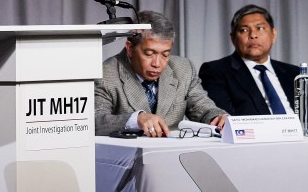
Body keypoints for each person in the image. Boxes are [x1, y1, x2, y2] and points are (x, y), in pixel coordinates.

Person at [95, 11, 227, 137]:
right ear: (130, 48)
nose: (157, 64)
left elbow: (203, 107)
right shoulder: (105, 74)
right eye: (149, 54)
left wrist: (217, 117)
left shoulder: (183, 69)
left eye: (165, 54)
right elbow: (95, 122)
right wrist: (136, 120)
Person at [198, 4, 299, 115]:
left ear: (273, 35)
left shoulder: (295, 73)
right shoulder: (215, 71)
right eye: (244, 30)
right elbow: (223, 118)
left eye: (260, 28)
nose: (253, 35)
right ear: (233, 38)